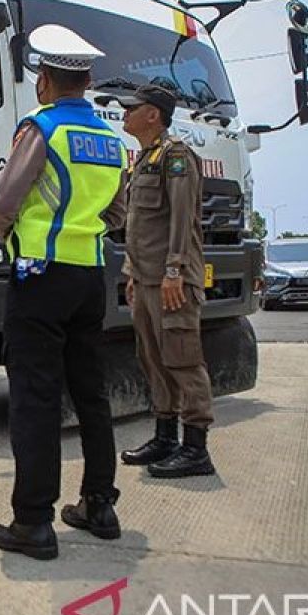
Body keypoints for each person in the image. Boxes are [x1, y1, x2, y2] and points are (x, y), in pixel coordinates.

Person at [0, 24, 128, 560]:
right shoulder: (113, 142)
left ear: (46, 80)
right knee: (91, 392)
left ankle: (34, 522)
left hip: (40, 277)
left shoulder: (42, 129)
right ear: (86, 82)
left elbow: (5, 198)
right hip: (90, 277)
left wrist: (1, 235)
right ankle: (99, 504)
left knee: (36, 398)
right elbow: (117, 213)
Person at [114, 83, 216, 479]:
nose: (125, 114)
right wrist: (132, 275)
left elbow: (181, 220)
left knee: (183, 358)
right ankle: (165, 437)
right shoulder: (144, 160)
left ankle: (195, 449)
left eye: (132, 108)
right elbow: (138, 226)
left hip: (172, 281)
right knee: (153, 359)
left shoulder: (176, 157)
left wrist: (174, 270)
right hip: (146, 280)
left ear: (153, 114)